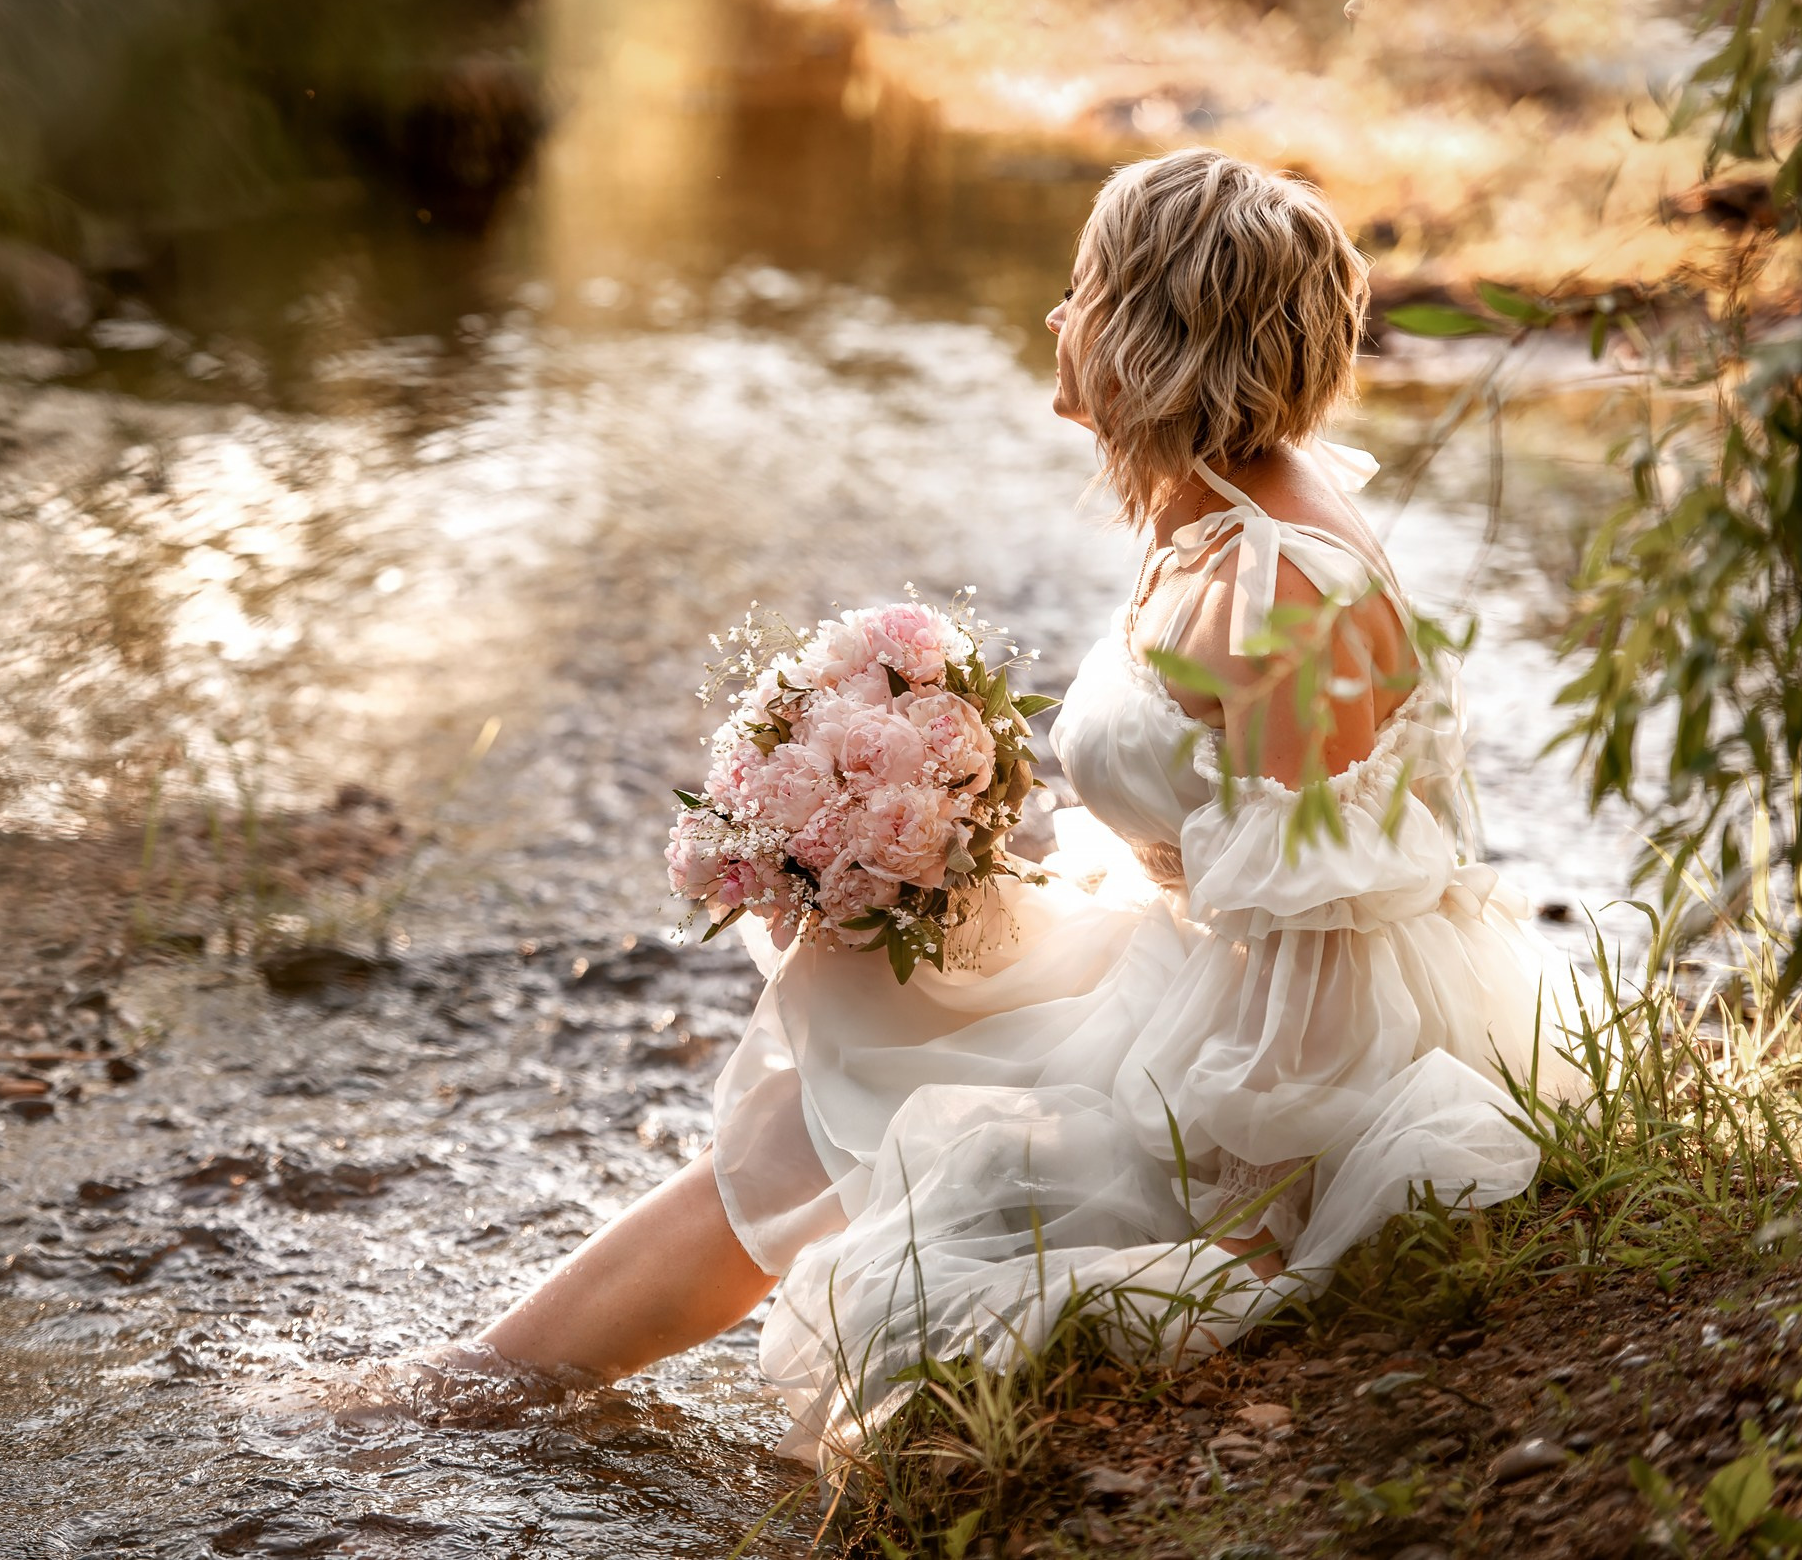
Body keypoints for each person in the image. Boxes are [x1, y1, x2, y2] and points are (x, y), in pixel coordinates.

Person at [468, 147, 1584, 1461]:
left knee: (905, 1136)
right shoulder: (1217, 507)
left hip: (1270, 1052)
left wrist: (1240, 1218)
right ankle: (489, 1379)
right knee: (849, 1052)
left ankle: (479, 1393)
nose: (1060, 318)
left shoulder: (1280, 591)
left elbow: (1326, 938)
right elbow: (1229, 836)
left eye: (1085, 287)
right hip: (1197, 960)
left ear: (1152, 333)